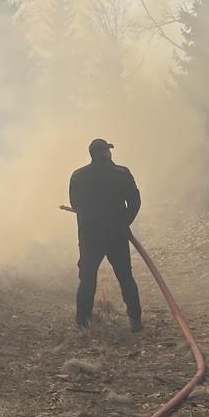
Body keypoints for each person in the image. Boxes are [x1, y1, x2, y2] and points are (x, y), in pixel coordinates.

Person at [68, 138, 142, 332]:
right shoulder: (122, 173)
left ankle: (83, 322)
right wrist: (124, 222)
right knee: (125, 277)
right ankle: (135, 320)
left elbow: (76, 205)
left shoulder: (78, 176)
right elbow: (135, 202)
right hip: (116, 235)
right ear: (105, 153)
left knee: (87, 279)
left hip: (90, 237)